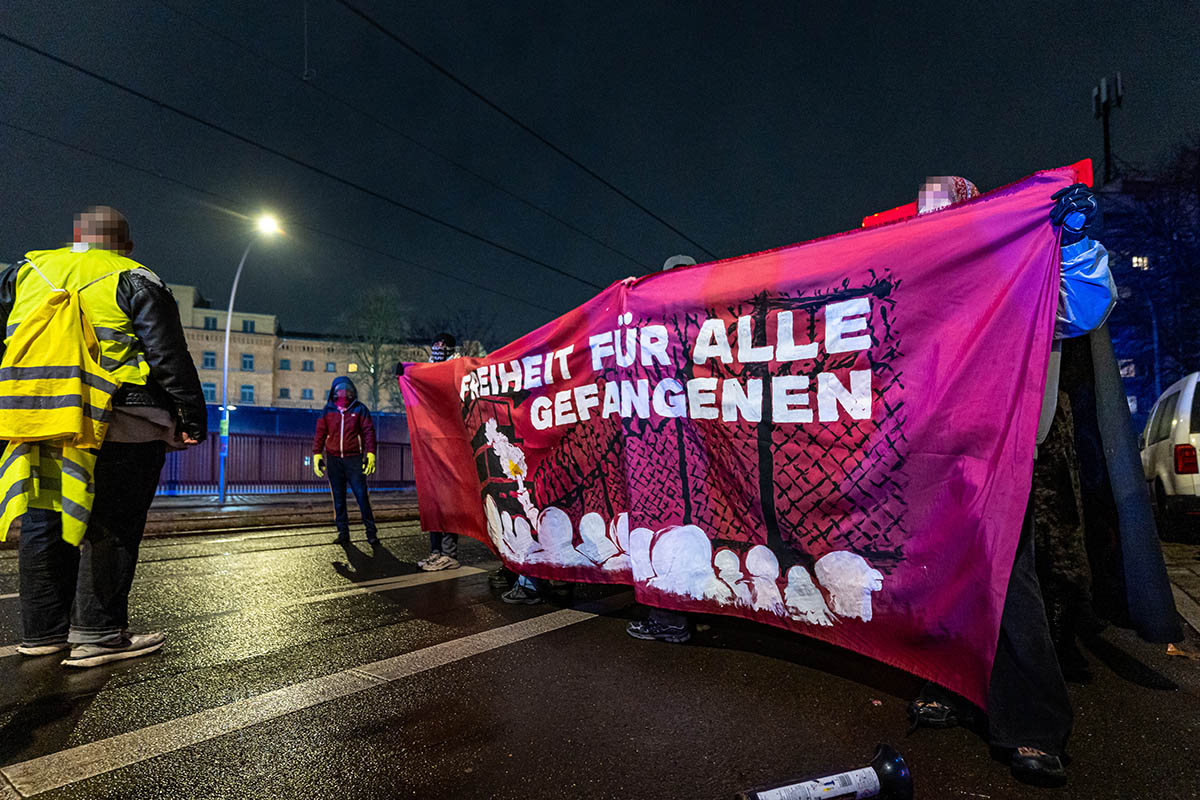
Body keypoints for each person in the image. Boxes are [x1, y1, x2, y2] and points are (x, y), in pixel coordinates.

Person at [906, 178, 1114, 787]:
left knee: (1005, 575)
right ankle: (947, 684)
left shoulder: (1016, 267)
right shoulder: (919, 279)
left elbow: (1085, 308)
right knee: (935, 572)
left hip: (1002, 447)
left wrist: (1071, 243)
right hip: (931, 450)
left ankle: (1031, 723)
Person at [0, 206, 206, 668]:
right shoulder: (135, 277)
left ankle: (42, 634)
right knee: (111, 523)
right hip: (119, 420)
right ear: (125, 245)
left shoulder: (24, 273)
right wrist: (191, 416)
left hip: (39, 420)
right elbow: (167, 353)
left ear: (74, 237)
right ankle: (97, 633)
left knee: (43, 523)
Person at [624, 254, 698, 643]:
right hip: (680, 449)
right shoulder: (704, 320)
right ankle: (678, 613)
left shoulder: (664, 324)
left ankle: (669, 619)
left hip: (665, 448)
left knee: (665, 527)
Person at [415, 333, 465, 572]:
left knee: (446, 502)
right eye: (434, 345)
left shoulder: (458, 369)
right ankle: (436, 552)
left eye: (442, 346)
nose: (437, 349)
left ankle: (449, 554)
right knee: (433, 501)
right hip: (432, 445)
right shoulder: (430, 370)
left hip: (449, 446)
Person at [312, 376, 378, 545]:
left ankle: (371, 532)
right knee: (338, 498)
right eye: (339, 391)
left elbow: (368, 432)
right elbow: (320, 433)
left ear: (352, 392)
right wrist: (317, 454)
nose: (343, 394)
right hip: (334, 459)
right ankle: (343, 533)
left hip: (353, 459)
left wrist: (370, 453)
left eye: (346, 391)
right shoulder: (328, 411)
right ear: (334, 392)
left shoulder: (360, 410)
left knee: (362, 496)